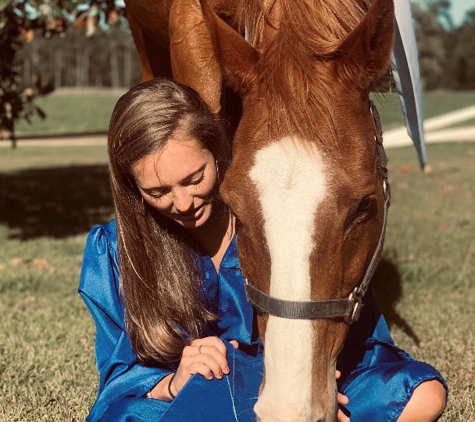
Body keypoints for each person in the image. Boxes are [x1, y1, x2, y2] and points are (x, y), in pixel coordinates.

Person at [79, 78, 447, 422]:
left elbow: (358, 337)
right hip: (200, 394)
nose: (184, 201)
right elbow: (118, 377)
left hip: (299, 375)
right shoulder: (116, 250)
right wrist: (171, 383)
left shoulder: (279, 221)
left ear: (217, 150)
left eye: (195, 178)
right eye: (158, 193)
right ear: (131, 188)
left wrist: (312, 380)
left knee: (421, 392)